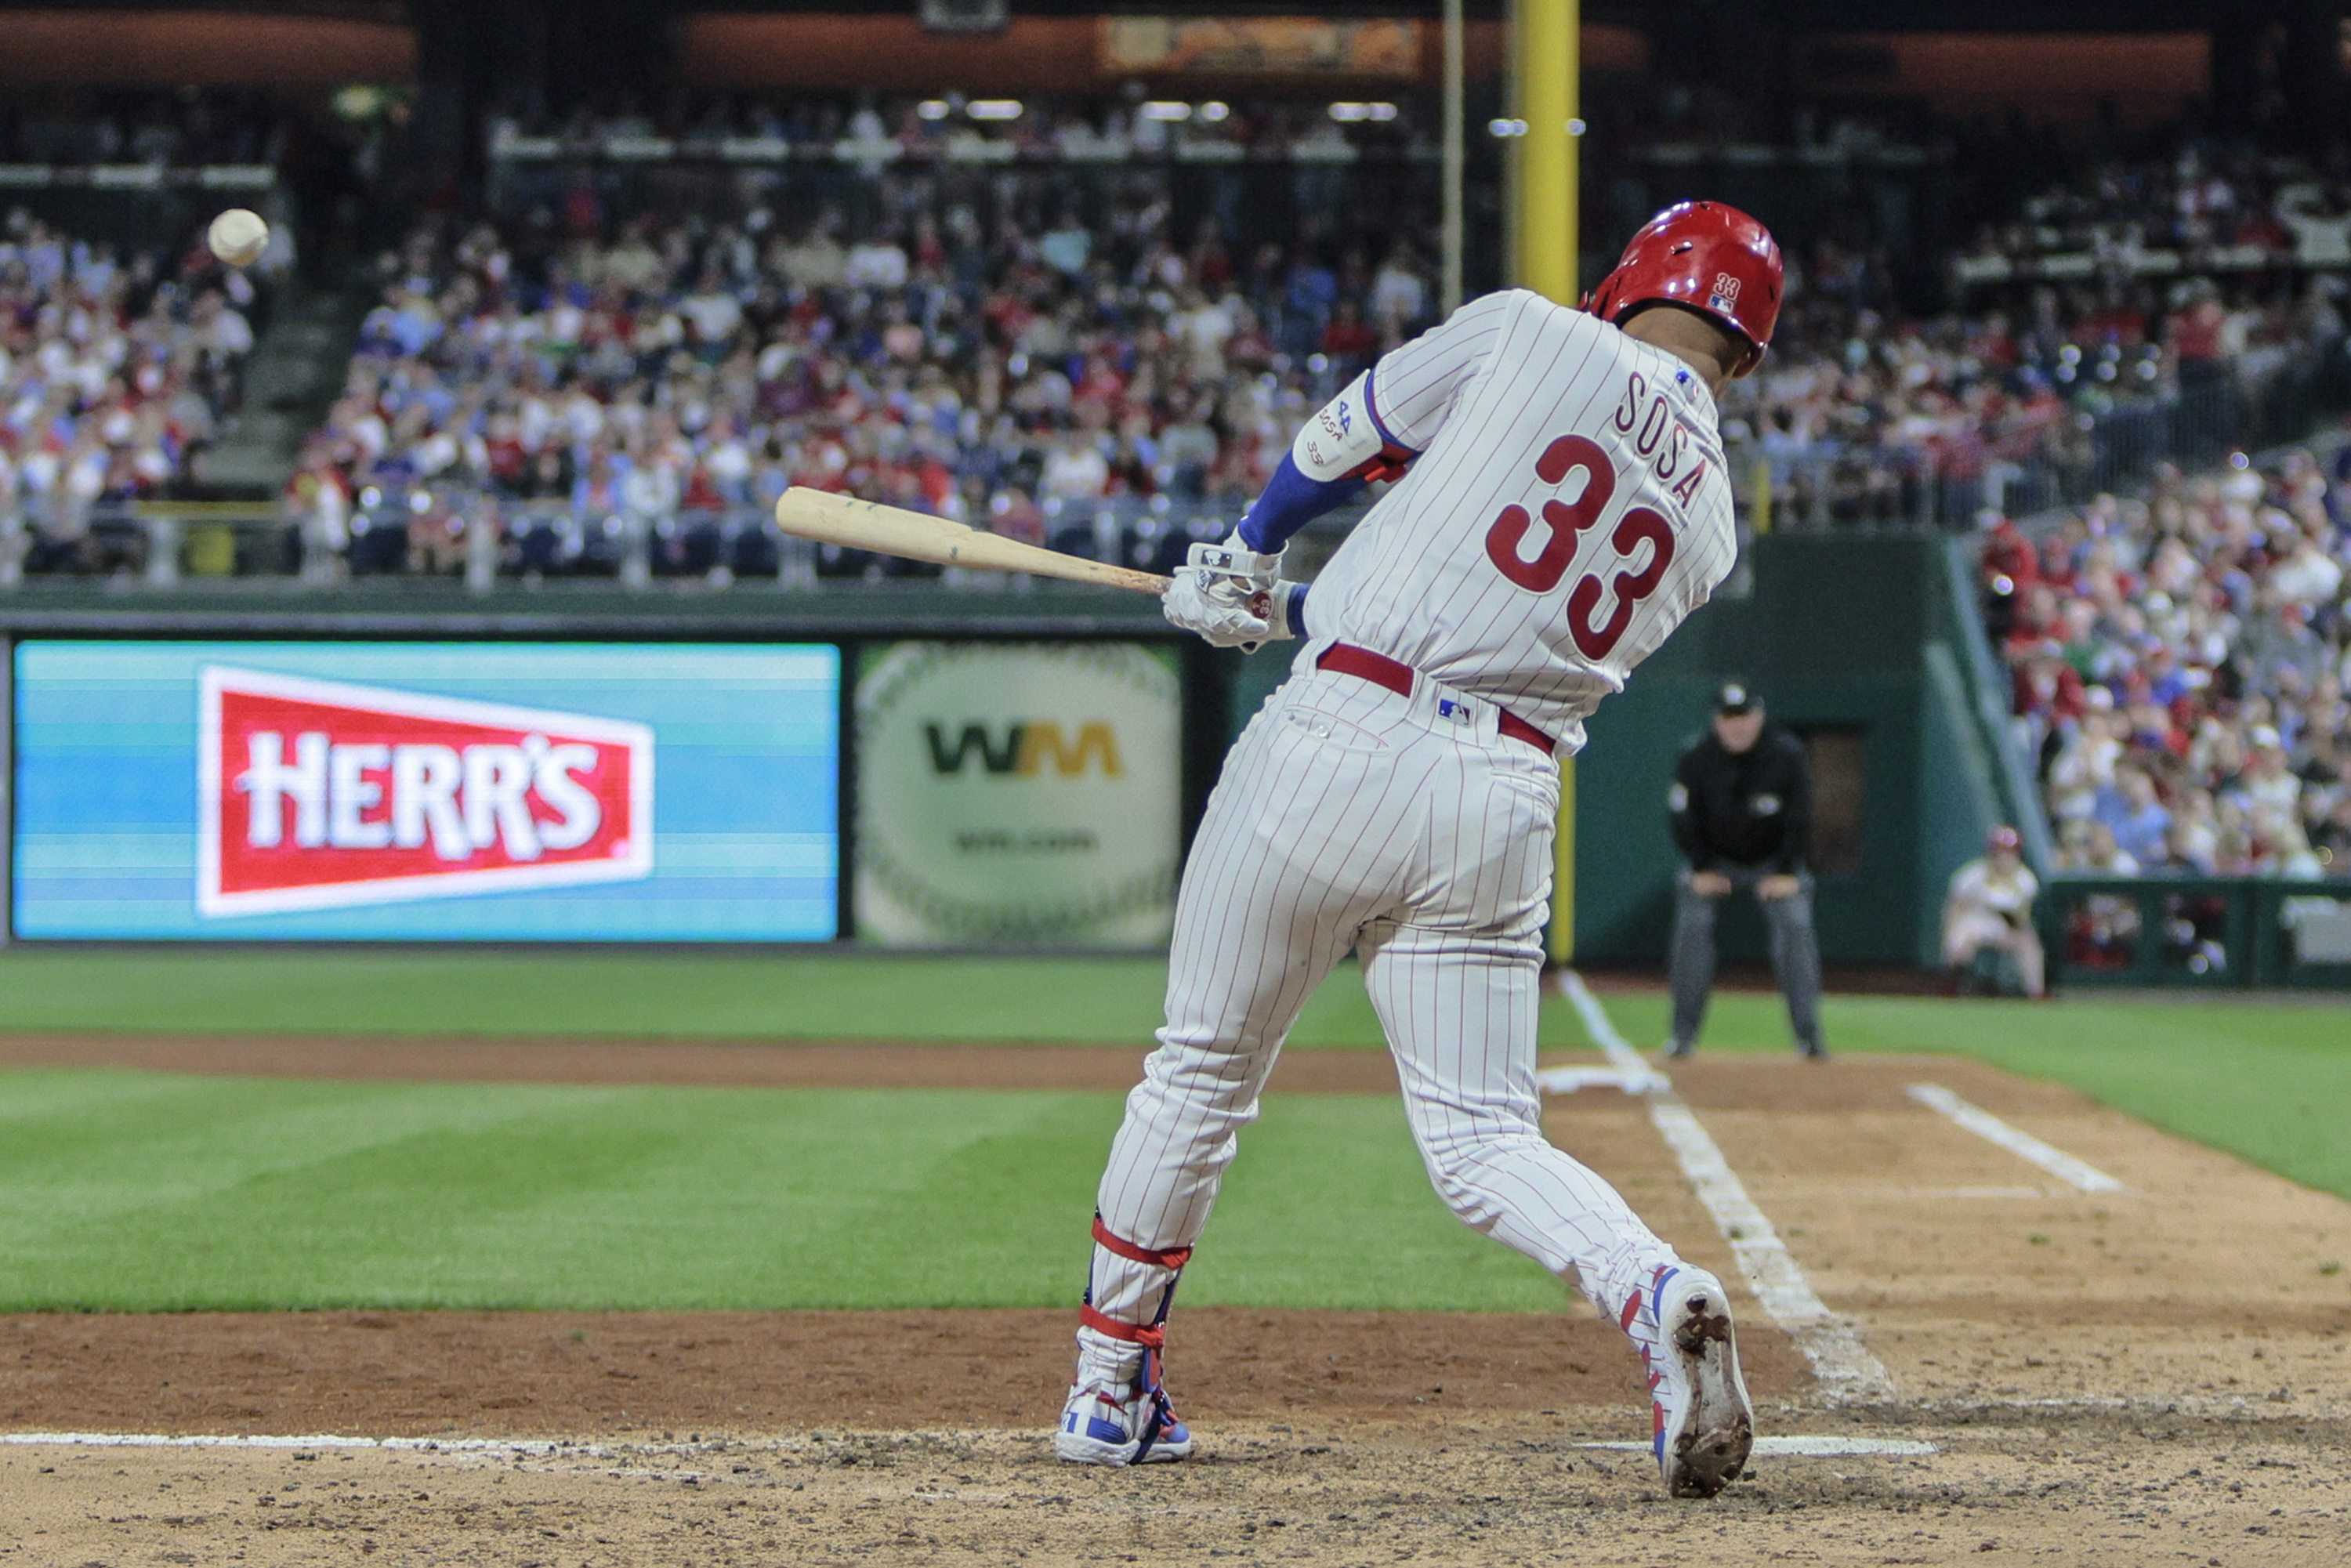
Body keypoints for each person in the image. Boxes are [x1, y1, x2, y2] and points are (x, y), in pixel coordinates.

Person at [1058, 202, 1784, 1500]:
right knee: (1483, 1137)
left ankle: (1111, 1394)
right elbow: (1496, 571)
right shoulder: (1713, 522)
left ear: (1633, 276)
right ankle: (1652, 1287)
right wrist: (1298, 597)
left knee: (1199, 1077)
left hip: (1339, 733)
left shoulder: (1531, 330)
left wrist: (1247, 552)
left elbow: (1349, 440)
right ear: (1747, 350)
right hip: (1501, 793)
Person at [1665, 683, 1825, 1058]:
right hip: (1714, 862)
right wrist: (1702, 867)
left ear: (1759, 716)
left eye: (1744, 717)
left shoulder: (1786, 755)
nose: (1736, 726)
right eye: (1728, 718)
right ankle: (1681, 1036)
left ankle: (1810, 1038)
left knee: (1796, 924)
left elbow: (1801, 816)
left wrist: (1786, 870)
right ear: (1717, 720)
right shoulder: (1695, 756)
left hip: (1775, 863)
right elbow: (1681, 818)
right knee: (1693, 926)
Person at [1942, 825, 2045, 997]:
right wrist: (1950, 932)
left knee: (2029, 943)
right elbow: (1955, 907)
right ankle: (1950, 988)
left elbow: (2022, 919)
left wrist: (2006, 920)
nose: (2005, 857)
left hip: (2005, 928)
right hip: (1974, 923)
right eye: (2000, 852)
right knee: (1958, 942)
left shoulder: (2025, 879)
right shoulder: (1974, 874)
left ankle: (2037, 994)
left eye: (2010, 852)